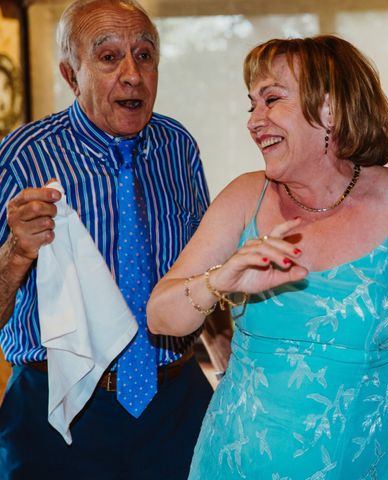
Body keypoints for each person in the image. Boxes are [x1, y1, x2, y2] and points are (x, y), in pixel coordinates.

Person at [147, 35, 388, 479]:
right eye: (251, 105)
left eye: (271, 99)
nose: (254, 121)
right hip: (232, 462)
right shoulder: (244, 197)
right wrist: (220, 281)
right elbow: (161, 316)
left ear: (329, 109)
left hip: (354, 464)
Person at [0, 1, 226, 478]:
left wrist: (229, 374)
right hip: (56, 411)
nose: (132, 75)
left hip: (176, 404)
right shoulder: (21, 157)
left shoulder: (177, 147)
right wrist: (18, 252)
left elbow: (205, 275)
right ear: (70, 73)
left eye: (145, 55)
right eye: (108, 57)